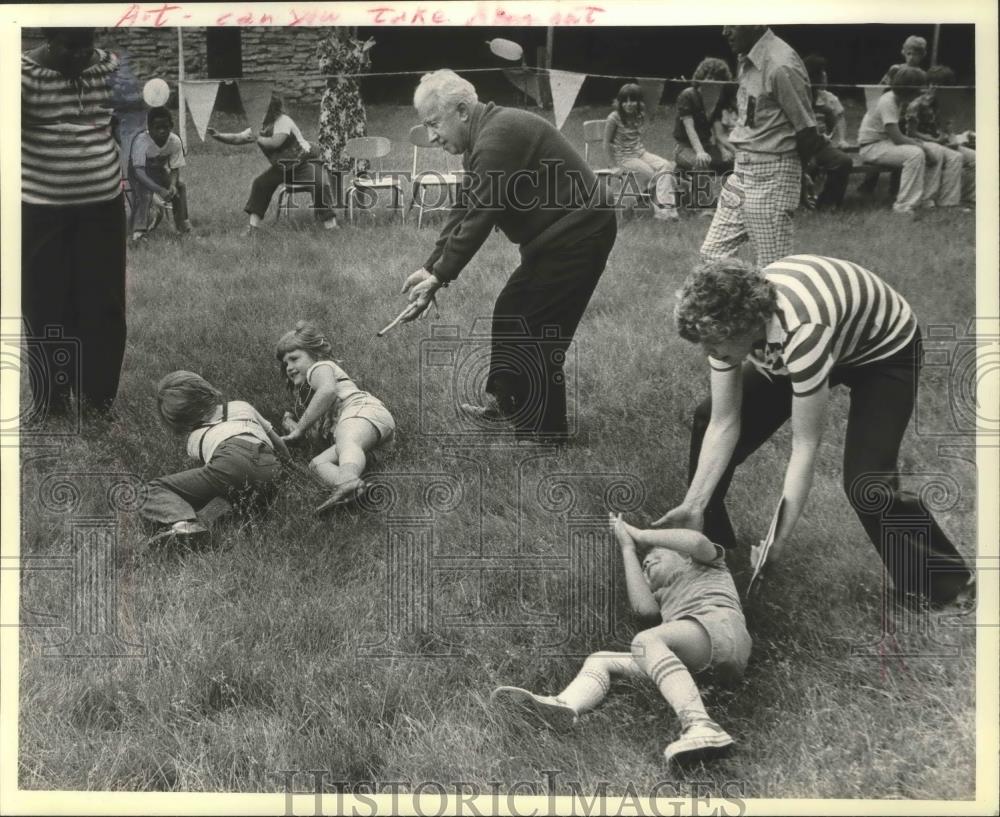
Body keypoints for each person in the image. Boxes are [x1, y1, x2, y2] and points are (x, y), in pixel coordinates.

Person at [658, 254, 976, 609]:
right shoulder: (720, 328)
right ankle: (707, 536)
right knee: (706, 418)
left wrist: (778, 540)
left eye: (713, 344)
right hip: (813, 337)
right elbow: (724, 421)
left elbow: (805, 445)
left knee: (867, 483)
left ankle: (948, 586)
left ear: (745, 327)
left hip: (882, 350)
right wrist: (694, 502)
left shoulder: (802, 333)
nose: (707, 352)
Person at [399, 70, 618, 445]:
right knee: (510, 310)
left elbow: (481, 215)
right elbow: (465, 207)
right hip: (554, 238)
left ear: (463, 111)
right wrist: (431, 266)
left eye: (434, 124)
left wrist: (441, 277)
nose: (432, 136)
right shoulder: (486, 136)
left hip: (580, 232)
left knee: (538, 331)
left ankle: (543, 434)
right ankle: (509, 401)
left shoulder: (498, 136)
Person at [492, 512, 750, 766]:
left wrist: (641, 535)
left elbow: (696, 542)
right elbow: (643, 610)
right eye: (644, 566)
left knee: (645, 642)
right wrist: (627, 547)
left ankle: (700, 724)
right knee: (602, 660)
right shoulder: (662, 596)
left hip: (721, 632)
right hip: (698, 662)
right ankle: (563, 706)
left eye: (654, 555)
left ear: (683, 557)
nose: (646, 563)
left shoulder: (708, 564)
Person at [21, 27, 127, 417]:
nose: (81, 55)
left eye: (87, 45)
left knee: (104, 303)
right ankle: (50, 401)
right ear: (49, 40)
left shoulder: (109, 67)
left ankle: (99, 399)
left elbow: (119, 120)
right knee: (45, 301)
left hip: (102, 207)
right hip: (39, 208)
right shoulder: (22, 75)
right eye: (70, 46)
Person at [700, 26, 826, 268]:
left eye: (732, 24)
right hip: (742, 169)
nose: (725, 31)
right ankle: (739, 304)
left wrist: (797, 175)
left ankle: (772, 304)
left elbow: (807, 129)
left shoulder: (781, 64)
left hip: (773, 171)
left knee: (773, 270)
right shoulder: (746, 59)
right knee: (712, 255)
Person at [142, 371, 287, 545]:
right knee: (233, 491)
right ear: (205, 389)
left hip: (230, 461)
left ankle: (183, 524)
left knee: (150, 490)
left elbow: (210, 483)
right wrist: (287, 470)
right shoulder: (242, 406)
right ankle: (203, 523)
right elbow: (278, 443)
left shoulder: (194, 439)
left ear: (179, 423)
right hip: (271, 470)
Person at [276, 321, 396, 512]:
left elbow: (328, 391)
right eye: (285, 363)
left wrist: (299, 429)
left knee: (345, 438)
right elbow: (316, 436)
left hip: (361, 412)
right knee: (316, 464)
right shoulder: (310, 397)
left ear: (315, 354)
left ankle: (347, 479)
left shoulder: (319, 367)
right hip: (365, 436)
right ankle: (357, 491)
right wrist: (292, 426)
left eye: (294, 358)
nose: (289, 367)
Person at [207, 93, 338, 235]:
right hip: (283, 167)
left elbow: (275, 143)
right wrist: (219, 136)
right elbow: (237, 138)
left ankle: (331, 226)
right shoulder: (259, 125)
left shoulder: (283, 121)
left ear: (272, 110)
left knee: (319, 183)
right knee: (260, 184)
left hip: (305, 162)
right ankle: (252, 228)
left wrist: (257, 138)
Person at [857, 66, 949, 215]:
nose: (921, 92)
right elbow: (898, 138)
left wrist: (926, 147)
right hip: (871, 147)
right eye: (918, 88)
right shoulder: (888, 101)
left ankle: (926, 200)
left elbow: (898, 136)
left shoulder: (898, 100)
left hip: (885, 143)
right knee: (915, 153)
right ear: (909, 89)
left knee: (936, 150)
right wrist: (923, 148)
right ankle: (904, 206)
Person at [603, 82, 679, 220]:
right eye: (625, 101)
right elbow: (606, 143)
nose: (629, 104)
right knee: (655, 176)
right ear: (619, 102)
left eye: (633, 100)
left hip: (640, 153)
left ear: (638, 102)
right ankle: (663, 213)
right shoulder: (614, 117)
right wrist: (613, 166)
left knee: (666, 166)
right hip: (624, 158)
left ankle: (667, 212)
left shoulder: (640, 115)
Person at [317, 31, 375, 207]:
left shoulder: (358, 45)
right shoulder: (325, 45)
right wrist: (335, 52)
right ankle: (337, 204)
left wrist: (364, 53)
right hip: (333, 103)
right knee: (333, 151)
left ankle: (361, 204)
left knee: (359, 149)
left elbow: (364, 73)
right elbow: (324, 70)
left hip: (353, 103)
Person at [905, 65, 974, 208]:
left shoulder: (944, 104)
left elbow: (947, 128)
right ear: (932, 85)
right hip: (921, 142)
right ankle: (939, 201)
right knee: (954, 157)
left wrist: (952, 139)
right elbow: (911, 133)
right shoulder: (917, 104)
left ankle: (966, 196)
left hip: (940, 142)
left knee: (975, 158)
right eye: (937, 85)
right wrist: (935, 140)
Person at [672, 58, 736, 210]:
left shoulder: (716, 101)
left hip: (707, 147)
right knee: (701, 162)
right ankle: (705, 207)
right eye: (709, 78)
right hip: (684, 148)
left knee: (735, 163)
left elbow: (719, 134)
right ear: (700, 78)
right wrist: (699, 152)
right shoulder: (688, 95)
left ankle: (735, 202)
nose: (713, 83)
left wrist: (731, 151)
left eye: (717, 80)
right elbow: (690, 128)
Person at [127, 106, 193, 241]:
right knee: (144, 192)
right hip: (138, 174)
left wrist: (172, 185)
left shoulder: (174, 141)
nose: (162, 131)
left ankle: (182, 226)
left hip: (157, 171)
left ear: (171, 126)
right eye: (157, 128)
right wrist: (159, 190)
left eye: (165, 127)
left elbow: (175, 168)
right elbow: (139, 172)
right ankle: (139, 232)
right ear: (149, 128)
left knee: (180, 187)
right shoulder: (141, 141)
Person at [800, 54, 853, 210]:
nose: (824, 75)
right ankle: (802, 201)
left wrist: (832, 136)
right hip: (798, 146)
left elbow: (835, 121)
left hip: (819, 145)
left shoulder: (828, 99)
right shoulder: (798, 96)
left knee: (843, 161)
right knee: (808, 166)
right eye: (820, 72)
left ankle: (827, 202)